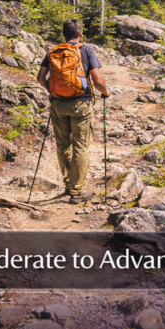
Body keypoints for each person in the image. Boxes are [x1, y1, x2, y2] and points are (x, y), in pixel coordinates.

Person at [37, 18, 110, 204]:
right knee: (81, 146)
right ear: (80, 33)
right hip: (81, 104)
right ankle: (77, 192)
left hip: (58, 104)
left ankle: (69, 184)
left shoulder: (53, 51)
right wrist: (106, 92)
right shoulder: (86, 50)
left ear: (64, 34)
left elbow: (40, 78)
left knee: (63, 146)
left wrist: (51, 91)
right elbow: (97, 79)